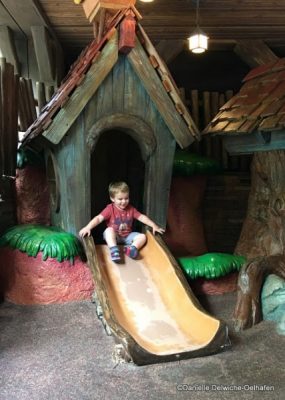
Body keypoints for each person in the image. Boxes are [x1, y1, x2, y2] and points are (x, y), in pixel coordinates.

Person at [79, 181, 165, 262]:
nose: (124, 201)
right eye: (120, 199)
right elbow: (98, 218)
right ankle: (114, 250)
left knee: (142, 237)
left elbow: (142, 217)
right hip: (115, 236)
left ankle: (131, 249)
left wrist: (154, 225)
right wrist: (88, 227)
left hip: (128, 237)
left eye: (126, 198)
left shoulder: (131, 209)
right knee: (109, 230)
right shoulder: (110, 209)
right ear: (112, 198)